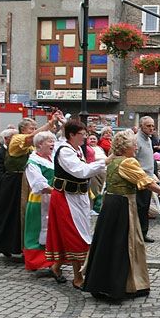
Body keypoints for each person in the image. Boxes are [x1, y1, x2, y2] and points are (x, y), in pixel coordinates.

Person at [83, 130, 160, 302]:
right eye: (133, 145)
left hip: (110, 204)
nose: (136, 148)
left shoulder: (113, 160)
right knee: (123, 244)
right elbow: (147, 182)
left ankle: (101, 283)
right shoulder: (128, 162)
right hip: (123, 206)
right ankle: (117, 286)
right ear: (125, 147)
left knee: (107, 243)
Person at [45, 119, 106, 288]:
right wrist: (104, 162)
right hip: (65, 197)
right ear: (71, 135)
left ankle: (56, 267)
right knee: (75, 235)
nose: (85, 137)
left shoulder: (76, 149)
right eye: (82, 134)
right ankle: (78, 278)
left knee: (71, 233)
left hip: (77, 196)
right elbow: (81, 171)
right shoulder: (65, 151)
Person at [0, 115, 58, 257]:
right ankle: (10, 246)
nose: (34, 130)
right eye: (31, 128)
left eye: (35, 128)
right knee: (13, 215)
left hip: (27, 182)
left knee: (28, 215)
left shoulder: (32, 144)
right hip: (15, 183)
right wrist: (47, 125)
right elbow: (30, 138)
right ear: (22, 129)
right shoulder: (17, 139)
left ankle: (27, 247)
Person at [23, 131, 57, 272]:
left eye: (53, 141)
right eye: (49, 141)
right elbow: (39, 184)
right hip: (39, 201)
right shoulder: (33, 162)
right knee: (36, 230)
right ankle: (37, 262)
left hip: (52, 199)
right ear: (40, 144)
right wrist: (56, 193)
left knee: (51, 229)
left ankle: (51, 260)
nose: (52, 144)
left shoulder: (52, 158)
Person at [135, 116, 157, 243]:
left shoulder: (148, 139)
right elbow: (133, 160)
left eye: (153, 126)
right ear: (141, 126)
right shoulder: (136, 140)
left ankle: (143, 232)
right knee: (140, 207)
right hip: (140, 179)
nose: (151, 128)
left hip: (148, 177)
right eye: (148, 126)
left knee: (145, 207)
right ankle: (139, 234)